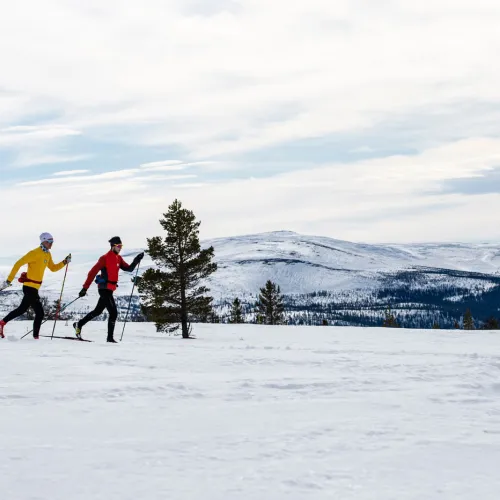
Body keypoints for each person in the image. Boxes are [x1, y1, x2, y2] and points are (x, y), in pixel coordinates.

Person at [0, 233, 71, 339]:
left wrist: (64, 262)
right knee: (38, 312)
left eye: (52, 242)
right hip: (29, 287)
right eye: (50, 242)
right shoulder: (34, 253)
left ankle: (3, 323)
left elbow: (53, 268)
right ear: (44, 241)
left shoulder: (47, 254)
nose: (51, 245)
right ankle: (35, 337)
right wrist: (9, 280)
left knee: (25, 310)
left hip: (35, 288)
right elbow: (18, 263)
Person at [74, 237, 144, 343]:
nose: (120, 248)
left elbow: (128, 269)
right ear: (113, 246)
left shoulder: (118, 258)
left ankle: (79, 324)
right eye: (118, 246)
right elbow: (92, 272)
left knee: (98, 311)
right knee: (113, 312)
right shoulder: (104, 258)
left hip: (110, 289)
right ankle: (109, 338)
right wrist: (85, 288)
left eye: (121, 246)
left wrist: (136, 260)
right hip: (104, 289)